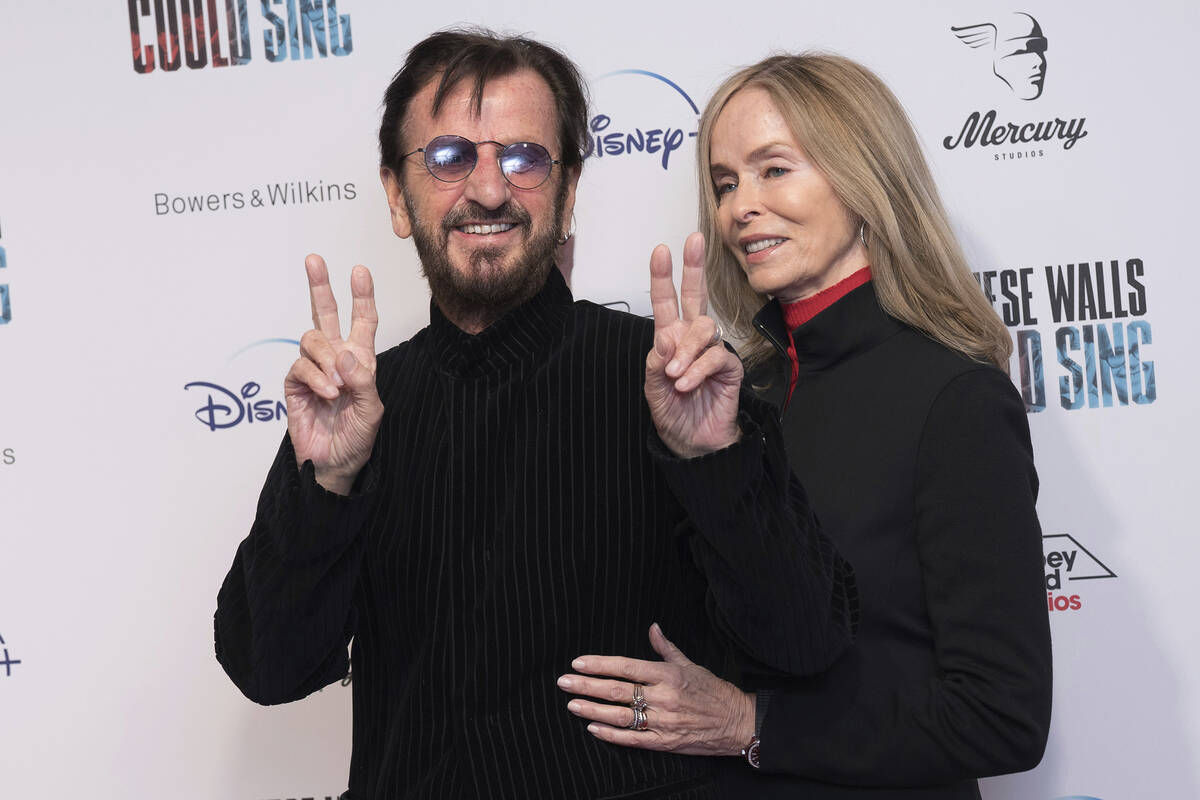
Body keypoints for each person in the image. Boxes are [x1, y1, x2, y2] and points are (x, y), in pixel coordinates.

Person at [213, 32, 856, 800]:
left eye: (524, 159)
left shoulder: (672, 383)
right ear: (394, 193)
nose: (489, 190)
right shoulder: (359, 407)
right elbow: (268, 668)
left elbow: (806, 643)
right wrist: (327, 483)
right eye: (450, 158)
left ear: (568, 191)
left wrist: (715, 458)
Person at [557, 53, 1052, 799]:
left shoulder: (955, 399)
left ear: (863, 180)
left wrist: (754, 724)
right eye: (725, 183)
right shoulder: (736, 394)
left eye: (773, 170)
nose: (737, 208)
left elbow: (1002, 715)